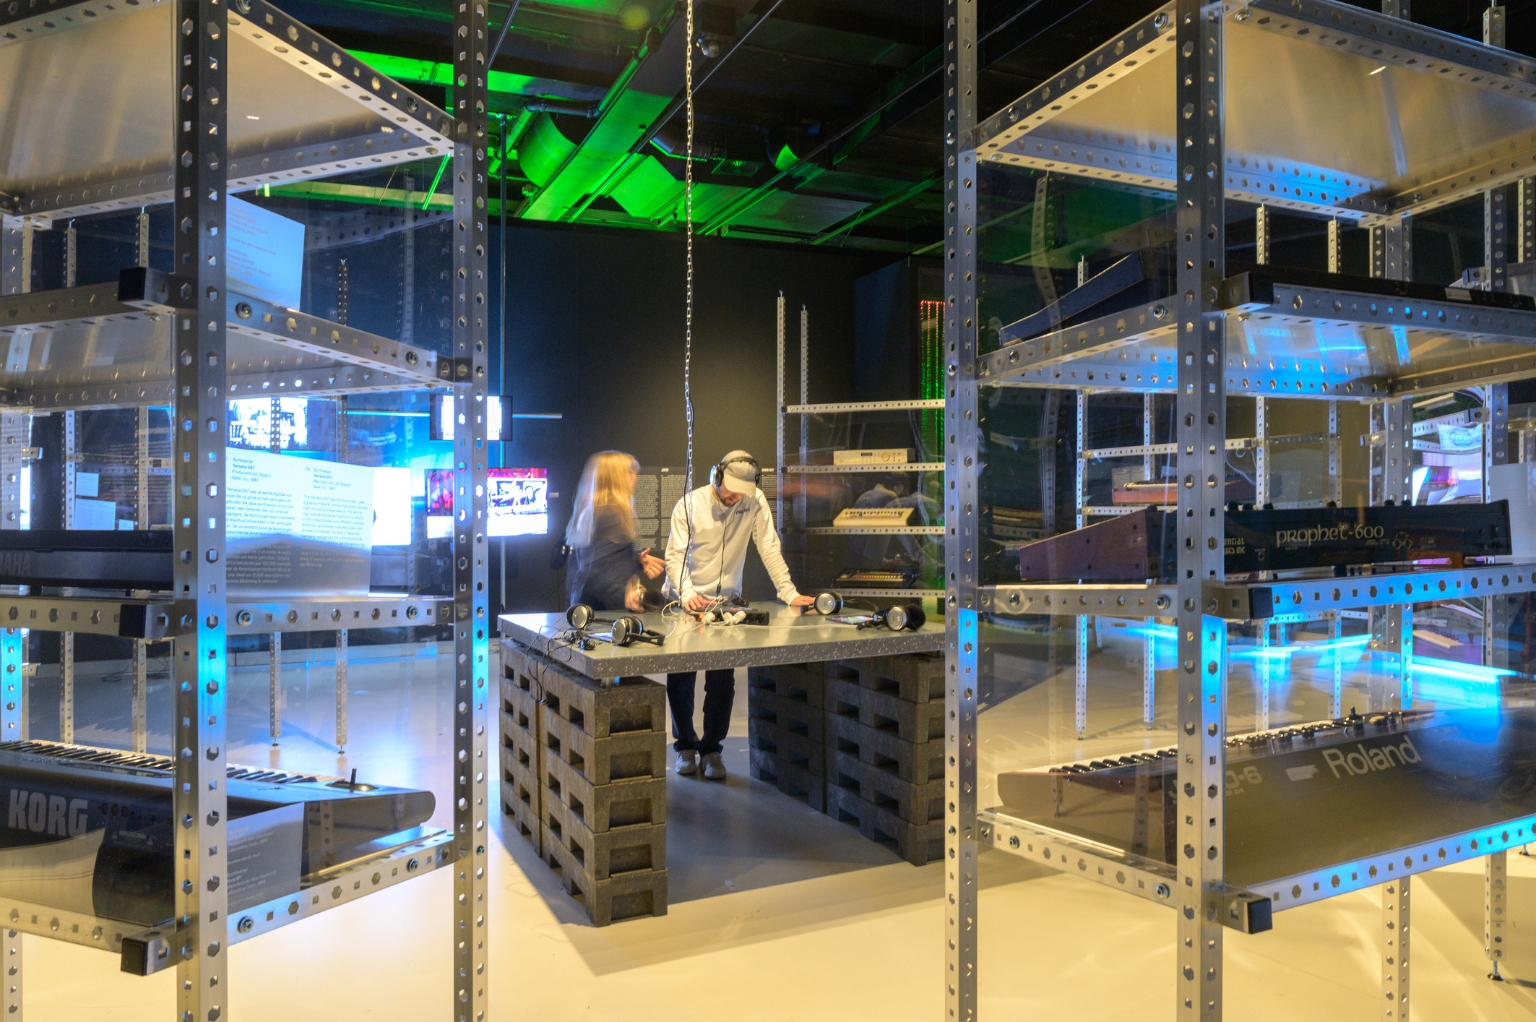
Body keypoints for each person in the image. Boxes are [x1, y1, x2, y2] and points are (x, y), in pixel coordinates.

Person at [663, 450, 813, 780]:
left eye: (740, 493)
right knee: (682, 679)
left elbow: (769, 546)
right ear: (716, 477)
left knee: (721, 681)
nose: (734, 498)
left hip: (725, 605)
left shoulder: (754, 500)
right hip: (686, 601)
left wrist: (788, 592)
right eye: (729, 490)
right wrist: (687, 594)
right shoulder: (690, 504)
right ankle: (685, 747)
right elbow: (675, 557)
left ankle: (711, 750)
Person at [565, 451, 665, 613]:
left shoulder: (594, 509)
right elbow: (593, 572)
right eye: (632, 473)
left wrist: (637, 560)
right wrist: (626, 596)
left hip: (589, 605)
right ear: (618, 477)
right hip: (603, 609)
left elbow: (601, 561)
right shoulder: (610, 512)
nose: (635, 478)